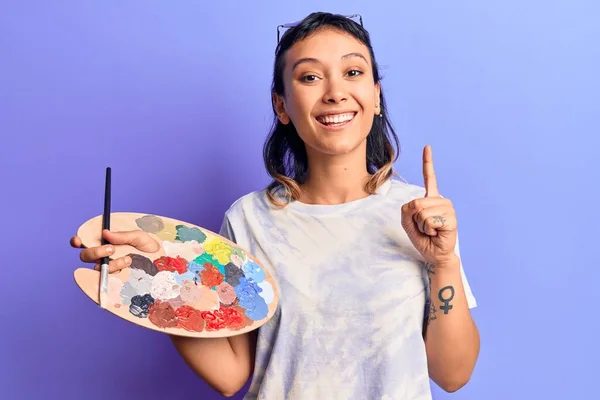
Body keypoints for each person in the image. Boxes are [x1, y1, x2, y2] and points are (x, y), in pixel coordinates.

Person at [70, 12, 480, 400]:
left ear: (375, 96)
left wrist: (443, 261)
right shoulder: (249, 219)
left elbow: (452, 374)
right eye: (310, 77)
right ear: (281, 106)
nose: (336, 92)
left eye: (353, 72)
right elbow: (231, 374)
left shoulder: (421, 215)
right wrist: (158, 288)